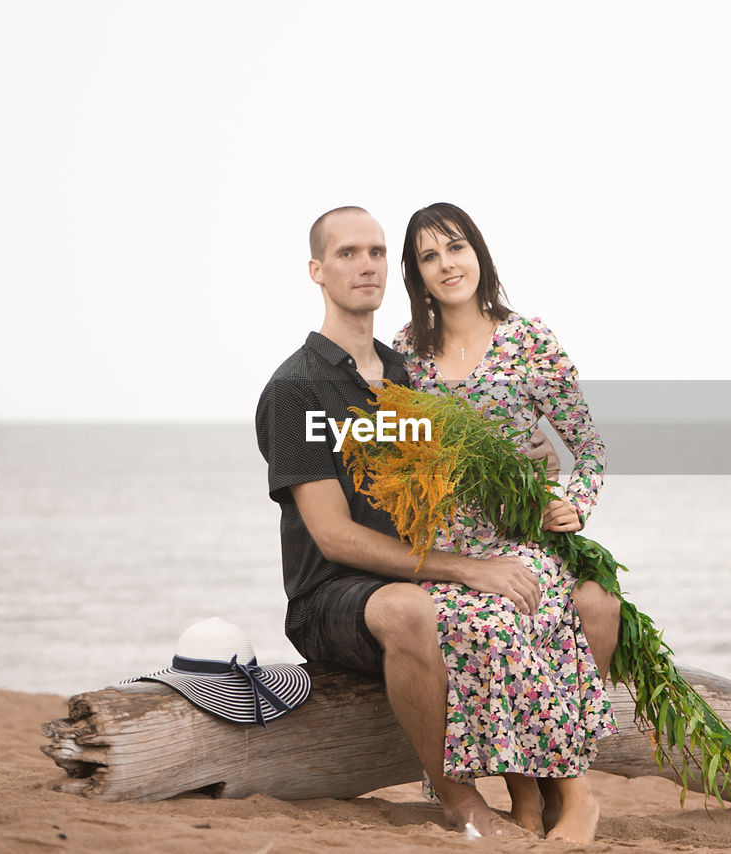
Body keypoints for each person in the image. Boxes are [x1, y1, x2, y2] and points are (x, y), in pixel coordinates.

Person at [255, 206, 620, 842]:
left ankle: (547, 795)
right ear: (316, 270)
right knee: (481, 608)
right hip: (345, 588)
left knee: (550, 601)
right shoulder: (307, 386)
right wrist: (471, 568)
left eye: (374, 252)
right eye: (347, 253)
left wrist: (538, 468)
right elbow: (334, 535)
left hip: (449, 556)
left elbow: (470, 452)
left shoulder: (400, 373)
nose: (365, 264)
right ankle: (483, 799)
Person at [392, 202, 618, 841]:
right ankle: (525, 795)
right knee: (467, 624)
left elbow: (590, 448)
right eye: (429, 257)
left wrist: (575, 505)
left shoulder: (530, 340)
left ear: (478, 253)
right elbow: (400, 446)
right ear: (418, 274)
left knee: (522, 609)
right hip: (446, 547)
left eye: (455, 248)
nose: (446, 265)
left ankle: (573, 795)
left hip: (522, 537)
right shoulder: (407, 353)